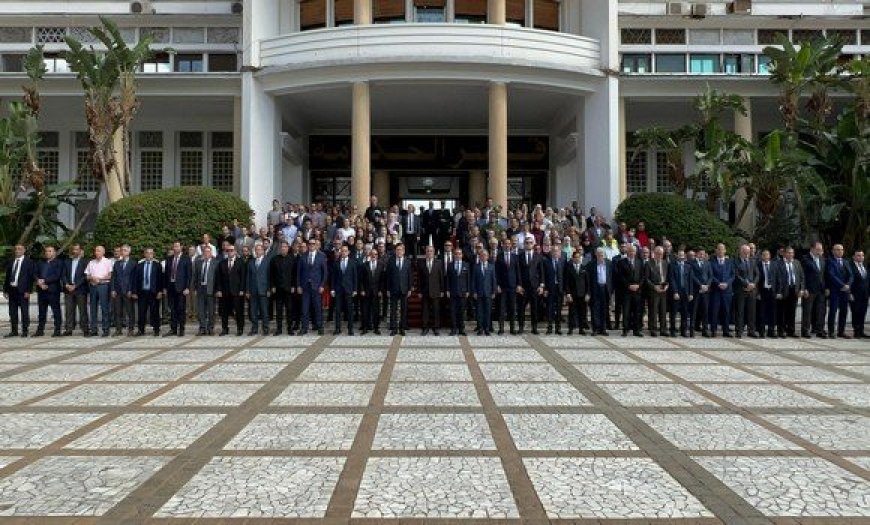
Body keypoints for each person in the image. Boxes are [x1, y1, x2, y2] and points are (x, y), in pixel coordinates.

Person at [297, 239, 327, 335]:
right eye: (309, 244)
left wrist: (322, 285)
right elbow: (298, 273)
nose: (311, 245)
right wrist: (298, 285)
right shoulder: (303, 256)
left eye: (313, 244)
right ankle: (304, 328)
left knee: (318, 308)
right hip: (305, 287)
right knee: (305, 309)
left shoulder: (321, 256)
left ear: (316, 245)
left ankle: (320, 327)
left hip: (317, 287)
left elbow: (325, 273)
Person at [132, 247, 164, 336]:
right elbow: (135, 280)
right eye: (147, 253)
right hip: (142, 292)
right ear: (144, 254)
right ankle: (141, 330)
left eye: (151, 253)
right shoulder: (139, 265)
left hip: (154, 292)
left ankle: (156, 329)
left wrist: (160, 291)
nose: (149, 255)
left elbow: (161, 279)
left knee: (155, 312)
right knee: (141, 312)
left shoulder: (157, 265)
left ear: (153, 254)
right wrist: (134, 292)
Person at [774, 246, 804, 338]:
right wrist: (777, 292)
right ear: (784, 253)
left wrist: (801, 289)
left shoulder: (797, 263)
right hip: (783, 291)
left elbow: (802, 277)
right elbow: (775, 278)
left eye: (792, 253)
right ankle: (781, 330)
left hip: (794, 290)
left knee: (792, 311)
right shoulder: (778, 264)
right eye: (788, 253)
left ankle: (791, 330)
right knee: (782, 311)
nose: (790, 255)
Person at [217, 245, 247, 336]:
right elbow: (218, 278)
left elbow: (243, 277)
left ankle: (240, 328)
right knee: (224, 312)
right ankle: (225, 328)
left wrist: (242, 289)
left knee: (238, 311)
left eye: (231, 250)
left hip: (237, 291)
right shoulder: (222, 263)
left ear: (235, 251)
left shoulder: (240, 262)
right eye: (228, 250)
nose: (230, 252)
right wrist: (219, 290)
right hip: (225, 292)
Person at [34, 245, 63, 337]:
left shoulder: (59, 262)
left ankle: (57, 330)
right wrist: (39, 282)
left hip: (53, 290)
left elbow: (57, 276)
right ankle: (40, 330)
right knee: (42, 312)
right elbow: (35, 273)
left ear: (54, 252)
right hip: (41, 290)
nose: (47, 253)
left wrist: (45, 281)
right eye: (46, 251)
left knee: (56, 311)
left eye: (50, 251)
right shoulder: (41, 262)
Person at [164, 241, 192, 337]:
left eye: (177, 246)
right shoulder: (169, 258)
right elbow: (166, 275)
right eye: (174, 246)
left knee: (180, 309)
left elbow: (189, 274)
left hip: (181, 288)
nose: (175, 248)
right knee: (172, 309)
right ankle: (173, 328)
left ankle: (181, 328)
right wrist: (165, 287)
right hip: (171, 287)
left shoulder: (186, 259)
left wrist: (187, 287)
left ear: (181, 247)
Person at [84, 245, 113, 337]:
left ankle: (105, 329)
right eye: (96, 250)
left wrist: (99, 279)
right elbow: (87, 275)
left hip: (103, 286)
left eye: (99, 251)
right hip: (93, 286)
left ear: (103, 252)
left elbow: (110, 275)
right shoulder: (91, 262)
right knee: (93, 309)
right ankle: (94, 330)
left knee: (105, 308)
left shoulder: (108, 262)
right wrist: (92, 277)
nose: (97, 252)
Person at [61, 244, 89, 337]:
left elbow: (85, 276)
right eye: (74, 249)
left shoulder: (85, 262)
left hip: (80, 289)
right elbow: (63, 274)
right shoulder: (67, 261)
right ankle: (69, 329)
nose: (75, 251)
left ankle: (85, 329)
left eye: (77, 249)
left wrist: (76, 285)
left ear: (80, 251)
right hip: (68, 289)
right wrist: (66, 284)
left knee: (82, 310)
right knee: (68, 310)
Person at [801, 242, 827, 338]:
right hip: (809, 289)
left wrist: (826, 287)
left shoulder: (822, 259)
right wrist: (804, 288)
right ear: (812, 249)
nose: (820, 251)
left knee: (820, 311)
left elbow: (824, 275)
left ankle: (819, 330)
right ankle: (805, 330)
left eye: (821, 250)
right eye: (818, 249)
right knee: (807, 311)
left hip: (820, 290)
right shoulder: (805, 259)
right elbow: (802, 275)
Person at [826, 244, 852, 339]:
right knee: (833, 311)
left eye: (841, 250)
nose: (840, 251)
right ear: (833, 251)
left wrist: (848, 285)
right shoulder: (830, 261)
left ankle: (841, 331)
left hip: (845, 291)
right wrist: (842, 285)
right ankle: (831, 331)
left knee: (844, 311)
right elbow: (831, 275)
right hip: (835, 290)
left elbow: (851, 275)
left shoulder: (846, 262)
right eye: (837, 250)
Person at [518, 237, 544, 334]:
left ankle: (534, 327)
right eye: (527, 242)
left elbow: (541, 272)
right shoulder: (519, 256)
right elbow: (518, 272)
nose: (528, 244)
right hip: (523, 287)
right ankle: (521, 327)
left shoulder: (538, 256)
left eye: (530, 242)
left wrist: (541, 285)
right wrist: (519, 285)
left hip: (534, 286)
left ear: (533, 244)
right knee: (521, 308)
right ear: (524, 244)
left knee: (534, 308)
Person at [269, 240, 295, 336]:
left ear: (288, 248)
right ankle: (279, 329)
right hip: (278, 289)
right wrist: (272, 286)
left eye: (285, 246)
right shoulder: (274, 259)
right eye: (282, 247)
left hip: (288, 289)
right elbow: (271, 274)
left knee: (289, 310)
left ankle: (290, 328)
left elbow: (294, 274)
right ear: (279, 249)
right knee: (279, 310)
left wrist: (293, 286)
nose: (283, 248)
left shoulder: (292, 259)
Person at [330, 244, 357, 335]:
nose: (344, 252)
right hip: (338, 289)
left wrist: (355, 289)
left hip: (349, 289)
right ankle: (337, 328)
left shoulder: (352, 263)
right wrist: (332, 289)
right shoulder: (336, 262)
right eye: (342, 251)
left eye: (345, 251)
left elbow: (355, 277)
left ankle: (350, 329)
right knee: (337, 310)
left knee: (349, 310)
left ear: (348, 252)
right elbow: (333, 277)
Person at [708, 243, 734, 338]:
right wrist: (718, 283)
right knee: (715, 310)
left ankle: (726, 330)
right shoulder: (711, 262)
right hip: (716, 290)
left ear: (725, 251)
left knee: (726, 311)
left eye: (722, 249)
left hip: (727, 290)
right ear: (716, 251)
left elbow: (732, 275)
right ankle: (713, 330)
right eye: (718, 249)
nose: (720, 251)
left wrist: (727, 283)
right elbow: (711, 275)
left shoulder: (730, 262)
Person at [733, 244, 759, 338]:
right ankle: (739, 331)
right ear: (740, 251)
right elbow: (736, 275)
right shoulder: (735, 261)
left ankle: (751, 330)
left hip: (752, 290)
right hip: (741, 290)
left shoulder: (753, 261)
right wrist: (746, 284)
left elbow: (757, 274)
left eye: (748, 252)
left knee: (751, 311)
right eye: (745, 252)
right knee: (740, 311)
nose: (747, 253)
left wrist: (753, 284)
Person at [386, 243, 413, 336]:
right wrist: (388, 289)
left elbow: (410, 276)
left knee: (403, 309)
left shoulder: (407, 262)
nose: (399, 251)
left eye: (400, 250)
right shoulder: (391, 261)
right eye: (397, 250)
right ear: (395, 251)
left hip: (404, 289)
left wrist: (410, 288)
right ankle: (394, 328)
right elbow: (388, 276)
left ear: (404, 251)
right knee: (393, 310)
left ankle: (402, 327)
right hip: (393, 289)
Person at [111, 244, 137, 336]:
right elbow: (113, 277)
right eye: (122, 250)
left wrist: (131, 290)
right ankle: (118, 330)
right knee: (118, 311)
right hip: (118, 291)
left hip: (128, 291)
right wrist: (113, 289)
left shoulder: (133, 263)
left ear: (129, 251)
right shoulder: (117, 263)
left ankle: (131, 329)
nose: (123, 252)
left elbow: (134, 278)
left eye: (125, 250)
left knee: (130, 311)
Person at [618, 244, 644, 337]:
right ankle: (625, 329)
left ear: (636, 252)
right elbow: (620, 277)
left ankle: (636, 330)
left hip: (637, 291)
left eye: (633, 251)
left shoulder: (639, 262)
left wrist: (638, 285)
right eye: (630, 251)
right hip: (626, 291)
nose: (632, 253)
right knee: (626, 311)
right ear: (627, 252)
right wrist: (629, 285)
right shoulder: (621, 262)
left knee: (637, 311)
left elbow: (642, 276)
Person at [496, 238, 521, 334]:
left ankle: (512, 328)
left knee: (512, 308)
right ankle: (501, 328)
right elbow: (496, 272)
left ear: (511, 245)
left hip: (513, 286)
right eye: (505, 244)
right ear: (502, 245)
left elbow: (518, 271)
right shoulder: (499, 256)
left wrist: (519, 284)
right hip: (502, 287)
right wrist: (497, 284)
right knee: (502, 308)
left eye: (509, 244)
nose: (507, 245)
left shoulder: (515, 257)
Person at [417, 245, 443, 335]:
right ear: (425, 252)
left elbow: (441, 278)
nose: (429, 253)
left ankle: (436, 328)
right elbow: (419, 279)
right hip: (425, 290)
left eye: (431, 251)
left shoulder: (439, 262)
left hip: (436, 290)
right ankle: (425, 327)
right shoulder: (421, 263)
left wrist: (442, 290)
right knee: (425, 310)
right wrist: (419, 291)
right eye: (428, 251)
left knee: (436, 310)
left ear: (434, 252)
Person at [246, 243, 271, 336]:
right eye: (256, 250)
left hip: (263, 290)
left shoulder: (267, 261)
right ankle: (254, 328)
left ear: (263, 251)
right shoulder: (251, 262)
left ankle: (265, 329)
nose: (258, 251)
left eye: (260, 249)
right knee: (253, 311)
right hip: (253, 290)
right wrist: (247, 290)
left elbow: (269, 276)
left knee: (264, 311)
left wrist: (269, 289)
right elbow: (248, 277)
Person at [193, 245, 218, 335]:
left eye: (208, 252)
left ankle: (210, 328)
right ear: (203, 253)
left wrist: (217, 290)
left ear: (211, 253)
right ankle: (202, 327)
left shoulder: (216, 263)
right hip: (200, 289)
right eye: (205, 252)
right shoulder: (199, 263)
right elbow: (195, 276)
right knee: (201, 310)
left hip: (211, 289)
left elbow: (218, 278)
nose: (206, 253)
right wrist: (195, 288)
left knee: (211, 310)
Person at [644, 246, 669, 337]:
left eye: (661, 254)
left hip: (663, 290)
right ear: (654, 253)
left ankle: (663, 329)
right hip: (653, 290)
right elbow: (646, 279)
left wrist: (667, 285)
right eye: (658, 253)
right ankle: (653, 329)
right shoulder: (648, 263)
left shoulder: (665, 263)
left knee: (663, 310)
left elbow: (668, 276)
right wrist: (654, 287)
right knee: (653, 311)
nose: (659, 255)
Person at [359, 248, 385, 334]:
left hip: (376, 292)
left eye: (376, 254)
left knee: (376, 311)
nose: (374, 256)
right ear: (369, 255)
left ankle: (376, 328)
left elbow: (382, 280)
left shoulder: (381, 265)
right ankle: (365, 327)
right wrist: (362, 290)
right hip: (366, 292)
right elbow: (361, 279)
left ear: (377, 256)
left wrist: (381, 290)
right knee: (365, 310)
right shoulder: (364, 265)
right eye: (372, 254)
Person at [588, 247, 612, 335]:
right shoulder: (591, 264)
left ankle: (603, 329)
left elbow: (612, 277)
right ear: (596, 255)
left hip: (605, 289)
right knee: (595, 309)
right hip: (595, 289)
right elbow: (588, 279)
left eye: (602, 255)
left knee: (604, 309)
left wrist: (611, 289)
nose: (600, 257)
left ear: (604, 255)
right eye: (599, 255)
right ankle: (596, 329)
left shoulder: (609, 263)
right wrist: (589, 292)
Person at [446, 247, 470, 336]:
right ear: (454, 255)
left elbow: (468, 278)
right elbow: (448, 278)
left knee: (461, 311)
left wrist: (468, 290)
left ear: (462, 255)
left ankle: (461, 329)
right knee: (453, 311)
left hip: (463, 292)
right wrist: (447, 289)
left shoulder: (466, 265)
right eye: (456, 254)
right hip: (452, 291)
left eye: (459, 254)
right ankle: (453, 328)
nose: (458, 255)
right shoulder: (450, 265)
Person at [473, 249, 497, 336]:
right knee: (479, 311)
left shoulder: (491, 266)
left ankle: (487, 328)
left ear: (487, 257)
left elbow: (493, 280)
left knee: (488, 311)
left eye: (485, 255)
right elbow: (473, 280)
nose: (483, 257)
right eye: (481, 255)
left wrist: (494, 291)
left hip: (488, 293)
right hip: (479, 292)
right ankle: (480, 328)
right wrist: (474, 291)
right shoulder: (476, 267)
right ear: (479, 257)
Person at [564, 248, 589, 335]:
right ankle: (570, 328)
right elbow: (566, 282)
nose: (577, 259)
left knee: (582, 312)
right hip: (572, 294)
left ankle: (581, 329)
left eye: (579, 257)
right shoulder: (569, 268)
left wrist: (587, 294)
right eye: (576, 257)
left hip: (582, 294)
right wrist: (568, 294)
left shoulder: (584, 268)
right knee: (571, 312)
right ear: (573, 258)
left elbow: (587, 283)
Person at [543, 243, 566, 335]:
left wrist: (565, 291)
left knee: (559, 309)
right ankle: (549, 327)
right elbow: (544, 276)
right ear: (551, 252)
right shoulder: (546, 262)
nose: (555, 252)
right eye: (553, 251)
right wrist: (545, 288)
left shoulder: (563, 262)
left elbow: (565, 277)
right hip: (550, 288)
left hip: (559, 289)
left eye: (557, 251)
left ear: (559, 252)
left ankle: (558, 328)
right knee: (550, 308)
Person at [668, 249, 692, 337]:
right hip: (676, 292)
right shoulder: (672, 266)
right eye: (680, 255)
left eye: (683, 255)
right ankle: (673, 330)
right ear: (677, 256)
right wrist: (675, 292)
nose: (681, 257)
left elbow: (690, 281)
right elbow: (671, 279)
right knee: (673, 312)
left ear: (684, 256)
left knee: (684, 313)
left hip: (685, 293)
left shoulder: (688, 267)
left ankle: (683, 331)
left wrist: (691, 293)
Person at [757, 249, 779, 338]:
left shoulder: (774, 265)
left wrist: (778, 291)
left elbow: (778, 279)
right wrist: (757, 292)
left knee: (772, 313)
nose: (766, 256)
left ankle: (771, 330)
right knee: (761, 312)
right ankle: (761, 331)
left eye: (767, 254)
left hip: (772, 291)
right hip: (762, 291)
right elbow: (756, 280)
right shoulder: (758, 265)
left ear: (769, 256)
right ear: (761, 256)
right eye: (764, 255)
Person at [691, 249, 712, 338]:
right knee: (694, 311)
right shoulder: (691, 264)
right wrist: (700, 285)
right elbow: (692, 276)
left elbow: (711, 275)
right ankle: (692, 330)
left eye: (703, 254)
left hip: (705, 291)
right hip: (696, 290)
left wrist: (707, 285)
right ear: (696, 254)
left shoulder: (707, 263)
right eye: (700, 254)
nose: (702, 255)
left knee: (705, 311)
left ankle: (705, 330)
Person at [849, 250, 868, 339]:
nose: (861, 257)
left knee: (862, 313)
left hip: (865, 294)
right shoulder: (850, 267)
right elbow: (849, 280)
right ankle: (856, 331)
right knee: (855, 312)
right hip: (855, 294)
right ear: (854, 257)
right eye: (858, 255)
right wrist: (850, 293)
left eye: (862, 255)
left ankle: (861, 331)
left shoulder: (865, 266)